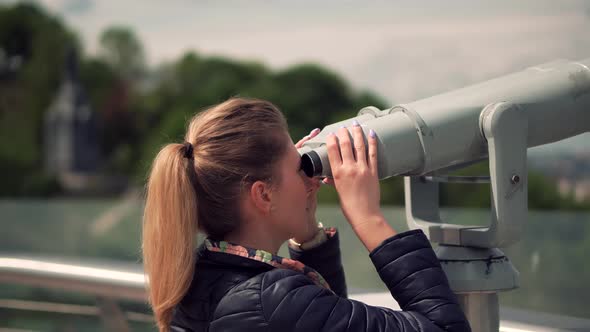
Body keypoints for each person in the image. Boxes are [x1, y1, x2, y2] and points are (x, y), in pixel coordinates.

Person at [142, 97, 471, 332]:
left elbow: (328, 317)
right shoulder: (272, 303)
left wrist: (307, 228)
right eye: (297, 165)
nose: (311, 179)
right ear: (264, 194)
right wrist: (367, 216)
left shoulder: (199, 278)